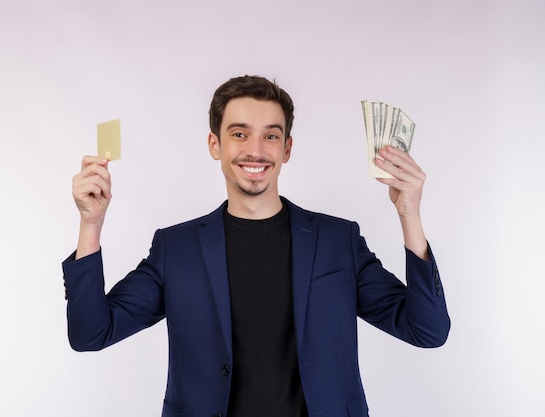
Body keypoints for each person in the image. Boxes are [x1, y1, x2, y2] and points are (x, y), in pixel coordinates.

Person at [62, 75, 450, 417]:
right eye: (239, 133)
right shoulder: (175, 249)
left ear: (287, 149)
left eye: (271, 135)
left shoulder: (338, 242)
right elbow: (91, 334)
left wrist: (409, 215)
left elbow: (427, 330)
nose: (256, 150)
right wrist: (90, 225)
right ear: (215, 144)